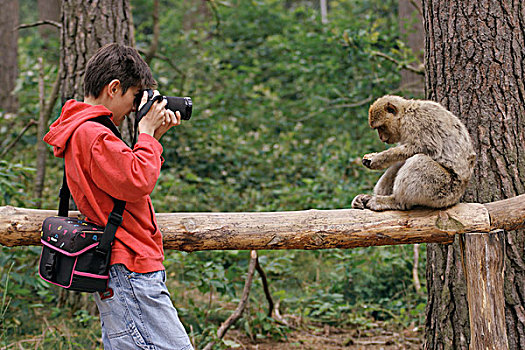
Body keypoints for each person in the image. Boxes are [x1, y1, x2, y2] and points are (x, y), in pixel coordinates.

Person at [44, 43, 193, 350]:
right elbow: (137, 181)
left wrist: (153, 138)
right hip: (130, 267)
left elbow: (126, 178)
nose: (137, 107)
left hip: (126, 268)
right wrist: (147, 136)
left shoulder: (86, 130)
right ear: (114, 88)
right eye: (135, 97)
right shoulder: (92, 134)